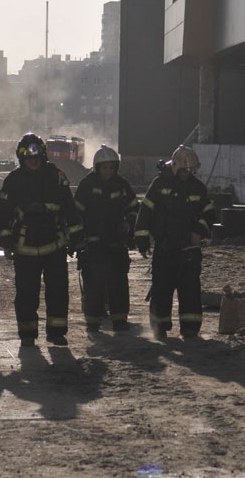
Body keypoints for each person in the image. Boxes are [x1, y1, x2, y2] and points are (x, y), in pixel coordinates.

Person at [0, 133, 85, 347]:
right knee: (26, 292)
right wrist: (5, 239)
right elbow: (2, 213)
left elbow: (70, 209)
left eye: (36, 157)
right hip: (25, 246)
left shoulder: (57, 176)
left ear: (43, 156)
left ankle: (56, 332)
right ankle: (27, 334)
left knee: (58, 291)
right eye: (28, 158)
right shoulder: (13, 180)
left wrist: (77, 238)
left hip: (54, 242)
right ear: (21, 159)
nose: (33, 161)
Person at [134, 145, 215, 340]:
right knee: (161, 289)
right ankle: (159, 328)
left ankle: (190, 328)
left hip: (189, 250)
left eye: (192, 170)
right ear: (176, 166)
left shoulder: (197, 187)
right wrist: (142, 239)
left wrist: (199, 231)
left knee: (190, 290)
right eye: (185, 169)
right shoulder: (159, 184)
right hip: (165, 247)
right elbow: (145, 212)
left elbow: (209, 211)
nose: (189, 173)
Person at [74, 145, 138, 333]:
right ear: (97, 167)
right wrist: (79, 239)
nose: (108, 171)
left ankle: (119, 320)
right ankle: (93, 322)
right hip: (93, 243)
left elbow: (134, 208)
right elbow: (75, 214)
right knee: (94, 283)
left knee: (118, 281)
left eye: (111, 167)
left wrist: (129, 223)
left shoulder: (121, 184)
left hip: (116, 243)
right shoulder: (87, 185)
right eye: (105, 168)